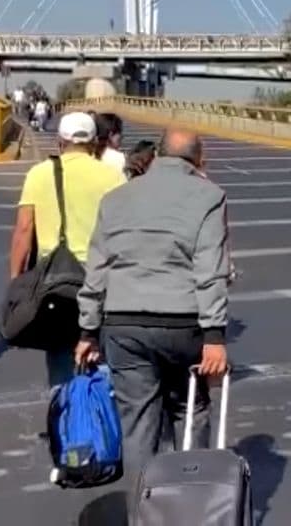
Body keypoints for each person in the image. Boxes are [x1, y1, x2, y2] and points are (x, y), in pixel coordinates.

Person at [76, 127, 231, 471]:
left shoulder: (116, 198)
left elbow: (97, 268)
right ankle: (192, 498)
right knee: (189, 408)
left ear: (158, 155)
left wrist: (87, 331)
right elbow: (210, 270)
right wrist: (215, 336)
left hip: (123, 325)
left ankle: (143, 512)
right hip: (182, 323)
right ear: (199, 159)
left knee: (138, 427)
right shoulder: (209, 196)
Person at [9, 112, 124, 388]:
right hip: (102, 279)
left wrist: (16, 281)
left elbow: (24, 231)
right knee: (97, 349)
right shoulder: (113, 177)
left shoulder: (39, 174)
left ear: (60, 142)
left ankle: (63, 419)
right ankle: (97, 417)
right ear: (95, 142)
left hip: (55, 281)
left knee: (60, 353)